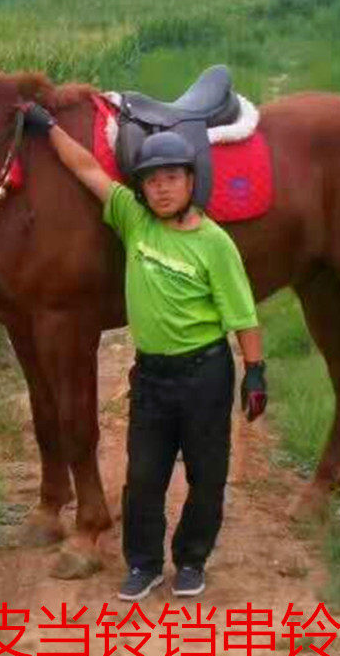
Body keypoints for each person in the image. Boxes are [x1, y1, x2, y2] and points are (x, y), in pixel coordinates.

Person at [22, 103, 267, 601]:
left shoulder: (215, 243)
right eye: (152, 181)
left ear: (191, 182)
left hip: (205, 374)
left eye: (172, 178)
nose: (161, 188)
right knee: (144, 476)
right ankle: (144, 563)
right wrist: (49, 128)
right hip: (152, 377)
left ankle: (192, 559)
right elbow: (87, 169)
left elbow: (243, 315)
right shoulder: (134, 221)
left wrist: (255, 370)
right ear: (141, 189)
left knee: (206, 474)